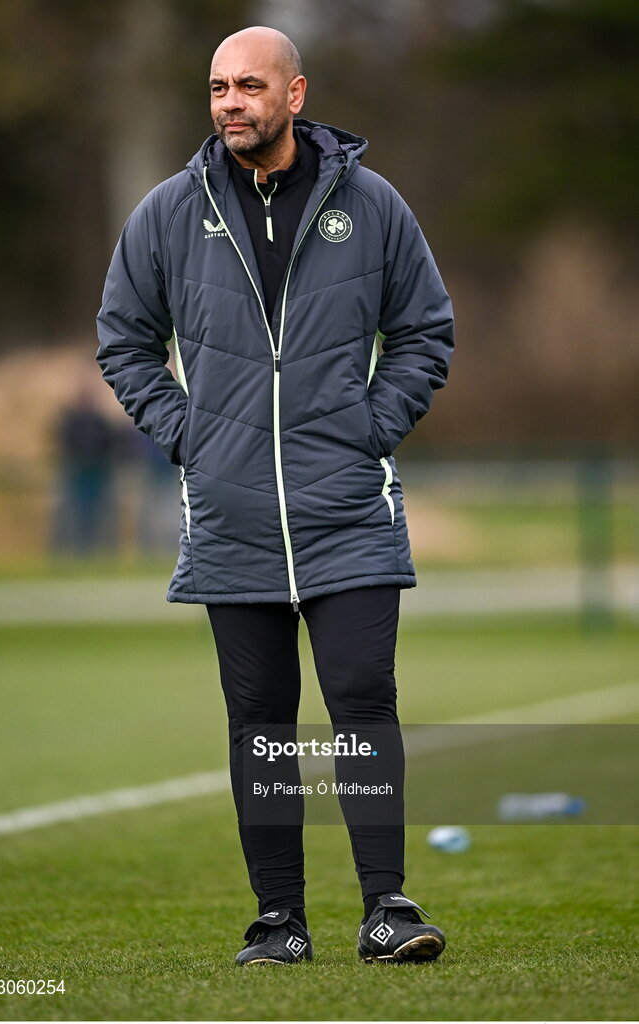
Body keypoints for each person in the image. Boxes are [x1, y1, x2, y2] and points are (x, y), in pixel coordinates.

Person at [97, 26, 454, 966]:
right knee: (260, 726)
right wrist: (188, 436)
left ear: (295, 95)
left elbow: (424, 329)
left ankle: (386, 909)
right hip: (232, 514)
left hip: (348, 508)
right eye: (218, 87)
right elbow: (123, 340)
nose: (230, 103)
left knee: (361, 702)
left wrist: (372, 425)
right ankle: (279, 921)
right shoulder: (168, 213)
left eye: (249, 86)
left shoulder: (371, 204)